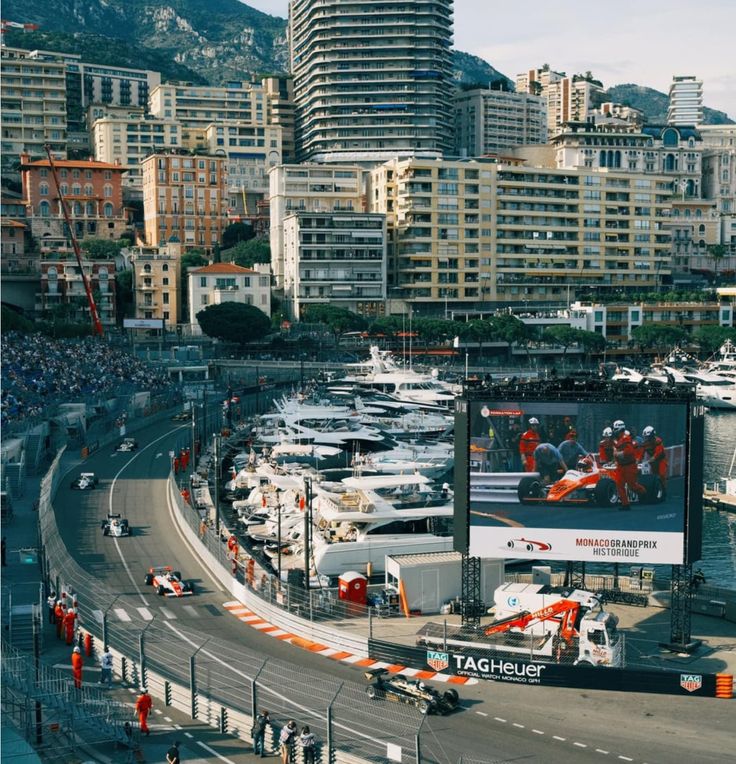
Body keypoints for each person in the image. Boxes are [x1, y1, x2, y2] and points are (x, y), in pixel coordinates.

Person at [612, 420, 646, 510]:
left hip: (629, 465)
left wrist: (619, 454)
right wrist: (616, 456)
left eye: (615, 429)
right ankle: (625, 504)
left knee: (632, 486)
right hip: (620, 465)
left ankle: (645, 493)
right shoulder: (617, 438)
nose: (613, 431)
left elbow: (629, 451)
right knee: (619, 484)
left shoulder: (626, 438)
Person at [639, 425, 668, 492]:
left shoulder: (658, 441)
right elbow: (641, 454)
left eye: (647, 437)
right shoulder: (644, 443)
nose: (645, 438)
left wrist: (650, 460)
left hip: (661, 460)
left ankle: (664, 490)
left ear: (651, 436)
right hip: (653, 462)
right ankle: (656, 490)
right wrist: (638, 460)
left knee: (662, 475)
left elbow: (658, 453)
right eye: (645, 437)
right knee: (654, 476)